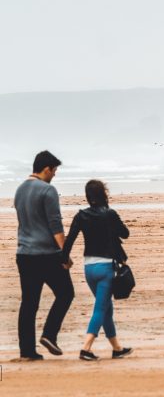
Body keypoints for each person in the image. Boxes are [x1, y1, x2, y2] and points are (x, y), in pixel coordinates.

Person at [14, 150, 75, 361]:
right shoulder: (48, 190)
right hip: (46, 254)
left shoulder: (20, 189)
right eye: (54, 170)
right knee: (66, 293)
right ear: (46, 169)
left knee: (29, 303)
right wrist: (65, 254)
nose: (55, 174)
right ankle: (49, 334)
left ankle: (26, 351)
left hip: (24, 254)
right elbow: (55, 225)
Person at [63, 179, 132, 361]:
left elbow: (69, 240)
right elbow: (125, 233)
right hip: (105, 268)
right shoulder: (109, 214)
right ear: (104, 194)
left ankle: (117, 348)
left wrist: (64, 260)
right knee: (101, 308)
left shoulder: (81, 216)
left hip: (89, 268)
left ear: (87, 196)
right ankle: (85, 348)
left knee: (106, 307)